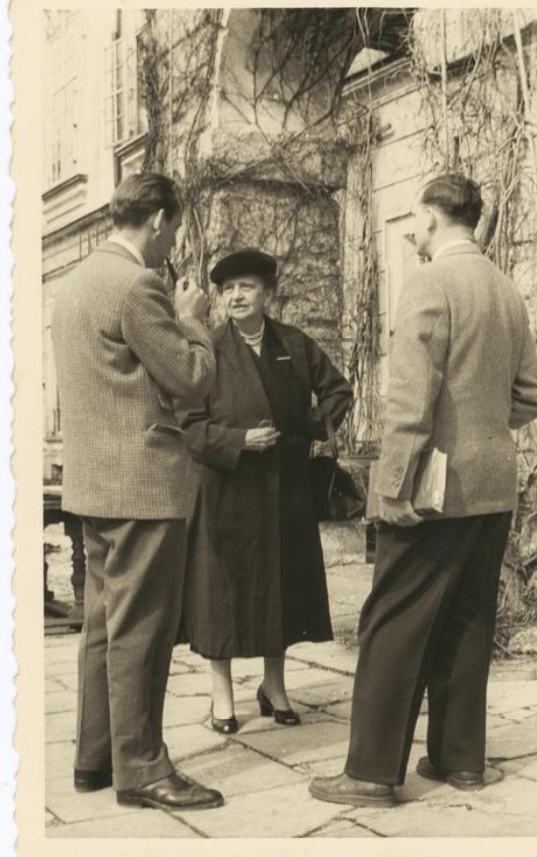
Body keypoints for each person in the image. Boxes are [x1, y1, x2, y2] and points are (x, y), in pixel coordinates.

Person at [310, 174, 537, 807]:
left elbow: (410, 405)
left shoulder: (427, 283)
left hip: (429, 487)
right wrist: (480, 432)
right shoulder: (505, 291)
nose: (412, 231)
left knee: (392, 621)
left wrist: (389, 487)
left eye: (413, 219)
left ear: (435, 217)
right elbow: (531, 396)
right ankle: (461, 759)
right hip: (493, 486)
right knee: (470, 619)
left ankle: (368, 774)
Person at [52, 172, 224, 811]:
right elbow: (190, 380)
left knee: (101, 624)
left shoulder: (73, 283)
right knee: (143, 631)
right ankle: (145, 769)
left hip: (95, 486)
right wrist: (192, 321)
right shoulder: (136, 286)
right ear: (156, 219)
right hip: (144, 486)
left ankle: (95, 760)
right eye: (174, 227)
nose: (171, 240)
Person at [177, 249, 353, 734]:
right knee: (222, 597)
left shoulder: (294, 344)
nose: (236, 296)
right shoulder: (206, 350)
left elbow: (339, 391)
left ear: (267, 294)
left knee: (282, 590)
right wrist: (239, 440)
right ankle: (222, 695)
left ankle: (274, 687)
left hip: (285, 491)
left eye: (247, 287)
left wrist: (309, 429)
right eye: (228, 289)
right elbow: (189, 427)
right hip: (227, 492)